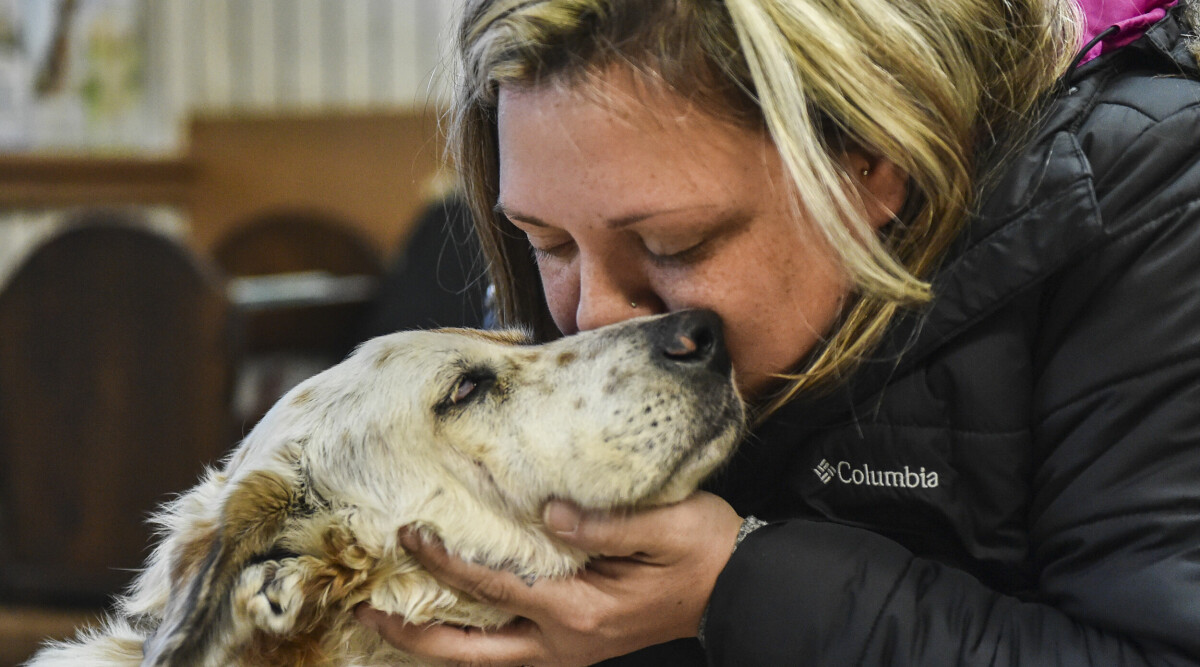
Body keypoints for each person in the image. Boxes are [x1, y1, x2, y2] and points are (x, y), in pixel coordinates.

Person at [355, 0, 1200, 663]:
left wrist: (736, 587)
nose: (594, 320)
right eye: (547, 244)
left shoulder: (1153, 191)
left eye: (673, 246)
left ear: (872, 160)